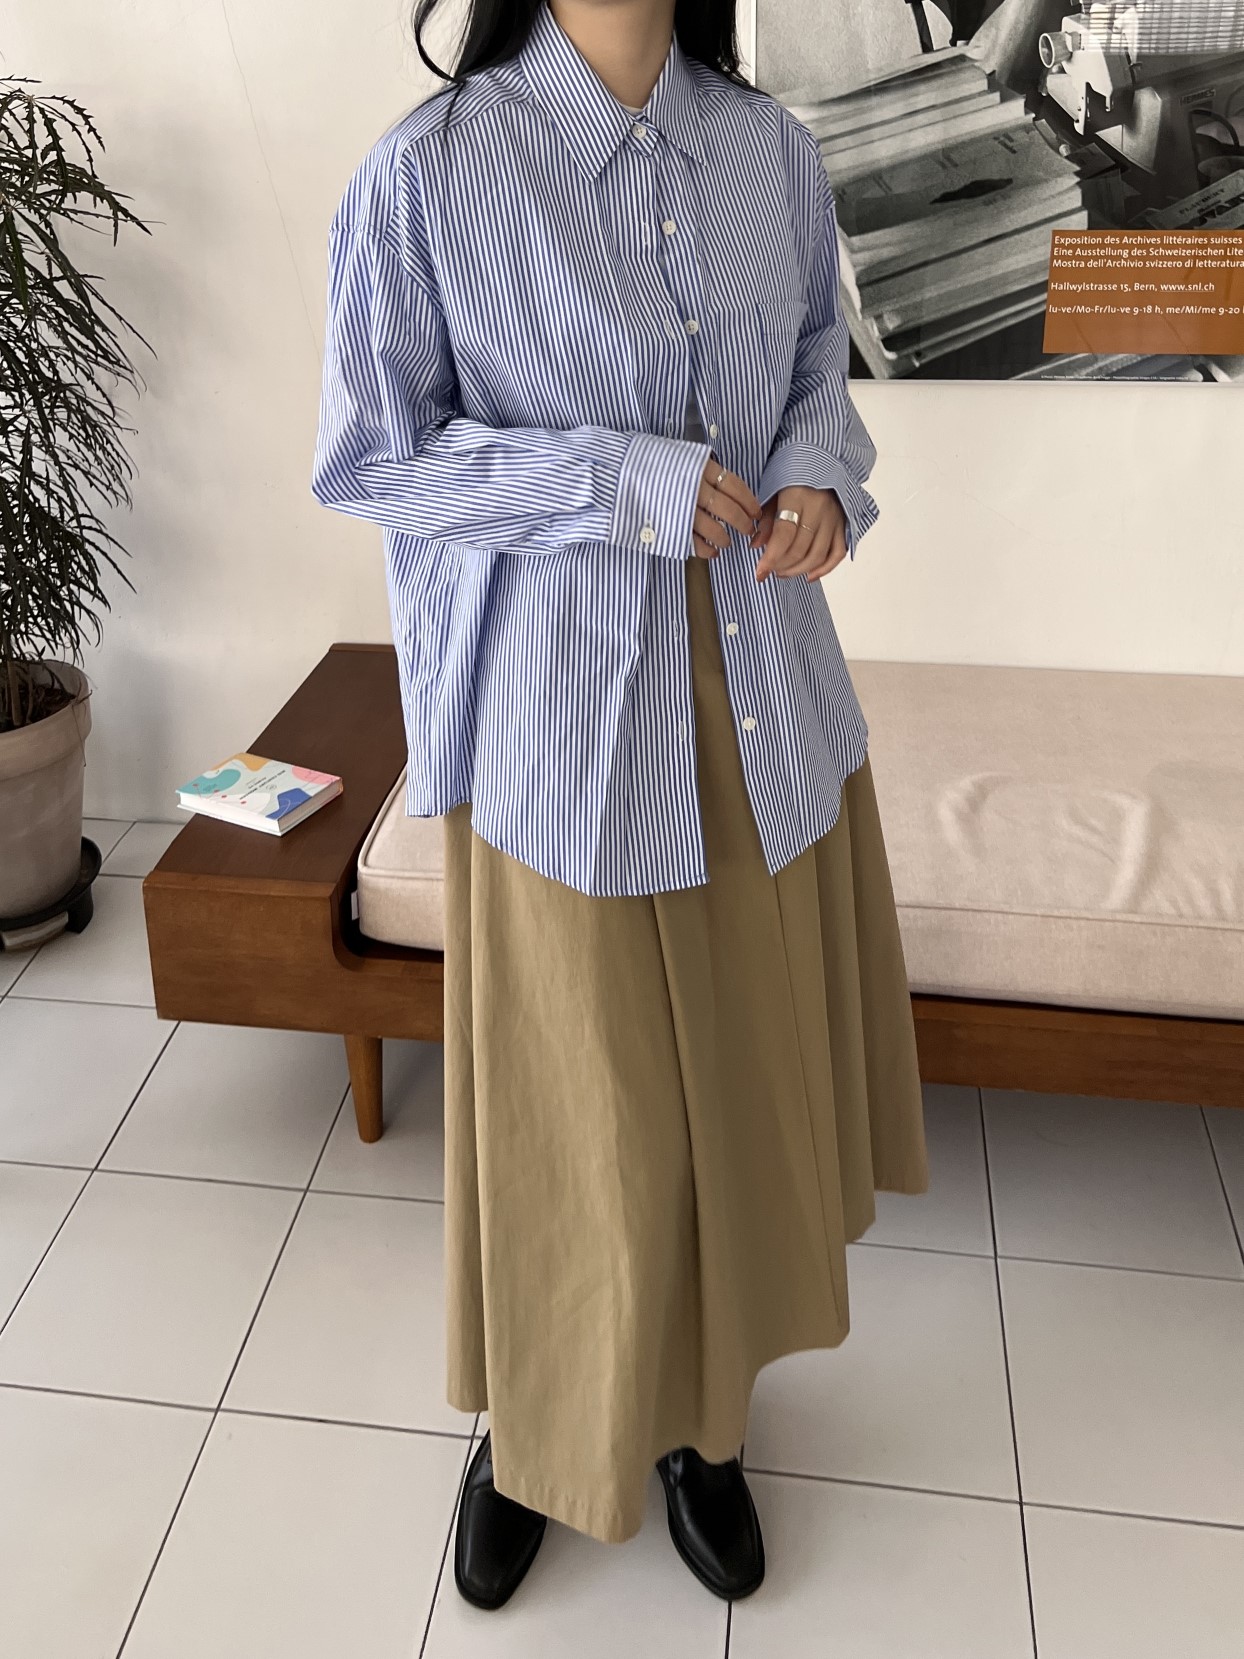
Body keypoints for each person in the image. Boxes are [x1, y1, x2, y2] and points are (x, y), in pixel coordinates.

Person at [313, 0, 929, 1610]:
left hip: (763, 698)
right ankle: (530, 1432)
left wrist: (819, 476)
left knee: (731, 1095)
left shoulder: (770, 150)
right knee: (574, 1114)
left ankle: (704, 1428)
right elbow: (373, 458)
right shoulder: (428, 172)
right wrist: (612, 477)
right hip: (563, 722)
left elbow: (817, 370)